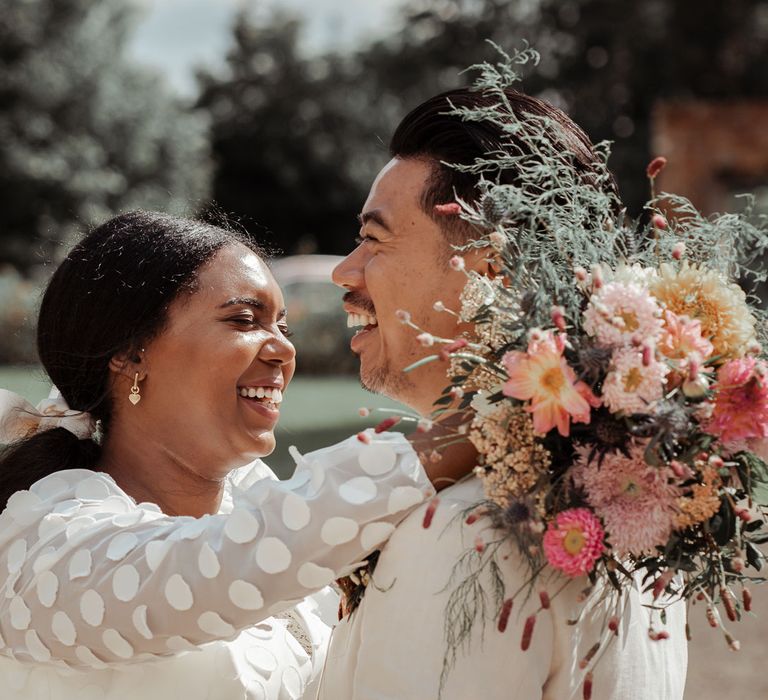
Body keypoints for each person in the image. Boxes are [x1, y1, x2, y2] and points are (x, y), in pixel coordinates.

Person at [0, 211, 469, 699]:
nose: (283, 350)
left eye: (283, 327)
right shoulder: (41, 541)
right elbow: (208, 569)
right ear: (132, 352)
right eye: (244, 320)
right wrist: (456, 442)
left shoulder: (257, 503)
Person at [319, 89, 688, 699]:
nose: (345, 270)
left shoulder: (466, 535)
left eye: (375, 240)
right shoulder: (635, 512)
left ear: (487, 267)